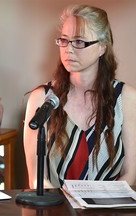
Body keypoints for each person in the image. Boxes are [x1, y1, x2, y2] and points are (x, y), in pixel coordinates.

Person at [24, 4, 136, 189]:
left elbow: (130, 173)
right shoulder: (42, 99)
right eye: (64, 40)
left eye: (79, 42)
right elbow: (37, 179)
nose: (68, 49)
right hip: (56, 209)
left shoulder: (127, 98)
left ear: (102, 47)